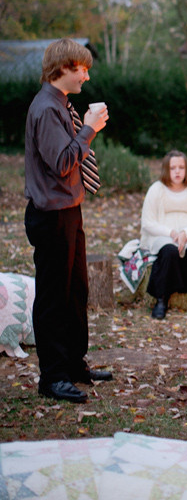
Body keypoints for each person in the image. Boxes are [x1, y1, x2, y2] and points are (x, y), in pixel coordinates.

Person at [24, 38, 113, 404]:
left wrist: (87, 126)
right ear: (63, 67)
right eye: (82, 69)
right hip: (51, 216)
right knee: (53, 298)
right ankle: (53, 377)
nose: (87, 76)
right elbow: (62, 163)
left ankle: (74, 365)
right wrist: (89, 129)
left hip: (69, 211)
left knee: (76, 292)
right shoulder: (46, 109)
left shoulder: (61, 105)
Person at [140, 150, 187, 319]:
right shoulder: (156, 189)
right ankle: (161, 300)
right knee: (169, 252)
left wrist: (185, 233)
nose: (177, 171)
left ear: (186, 169)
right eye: (172, 167)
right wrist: (172, 233)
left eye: (181, 167)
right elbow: (148, 222)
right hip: (163, 233)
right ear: (165, 170)